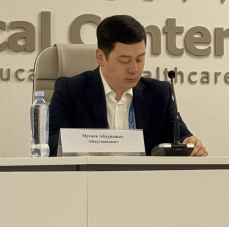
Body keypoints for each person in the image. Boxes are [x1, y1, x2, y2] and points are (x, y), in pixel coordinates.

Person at [49, 15, 208, 157]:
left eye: (140, 59)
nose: (134, 69)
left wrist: (189, 143)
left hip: (143, 179)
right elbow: (53, 143)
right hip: (90, 178)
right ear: (100, 57)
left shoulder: (159, 93)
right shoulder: (70, 90)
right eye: (124, 61)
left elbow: (179, 137)